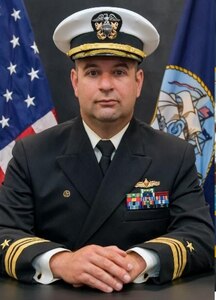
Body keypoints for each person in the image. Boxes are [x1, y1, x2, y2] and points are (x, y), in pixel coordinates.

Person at [0, 6, 213, 294]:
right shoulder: (31, 153)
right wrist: (60, 261)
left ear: (138, 83)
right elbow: (4, 233)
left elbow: (199, 236)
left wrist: (138, 260)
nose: (105, 85)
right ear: (75, 82)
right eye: (92, 72)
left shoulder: (174, 155)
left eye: (119, 72)